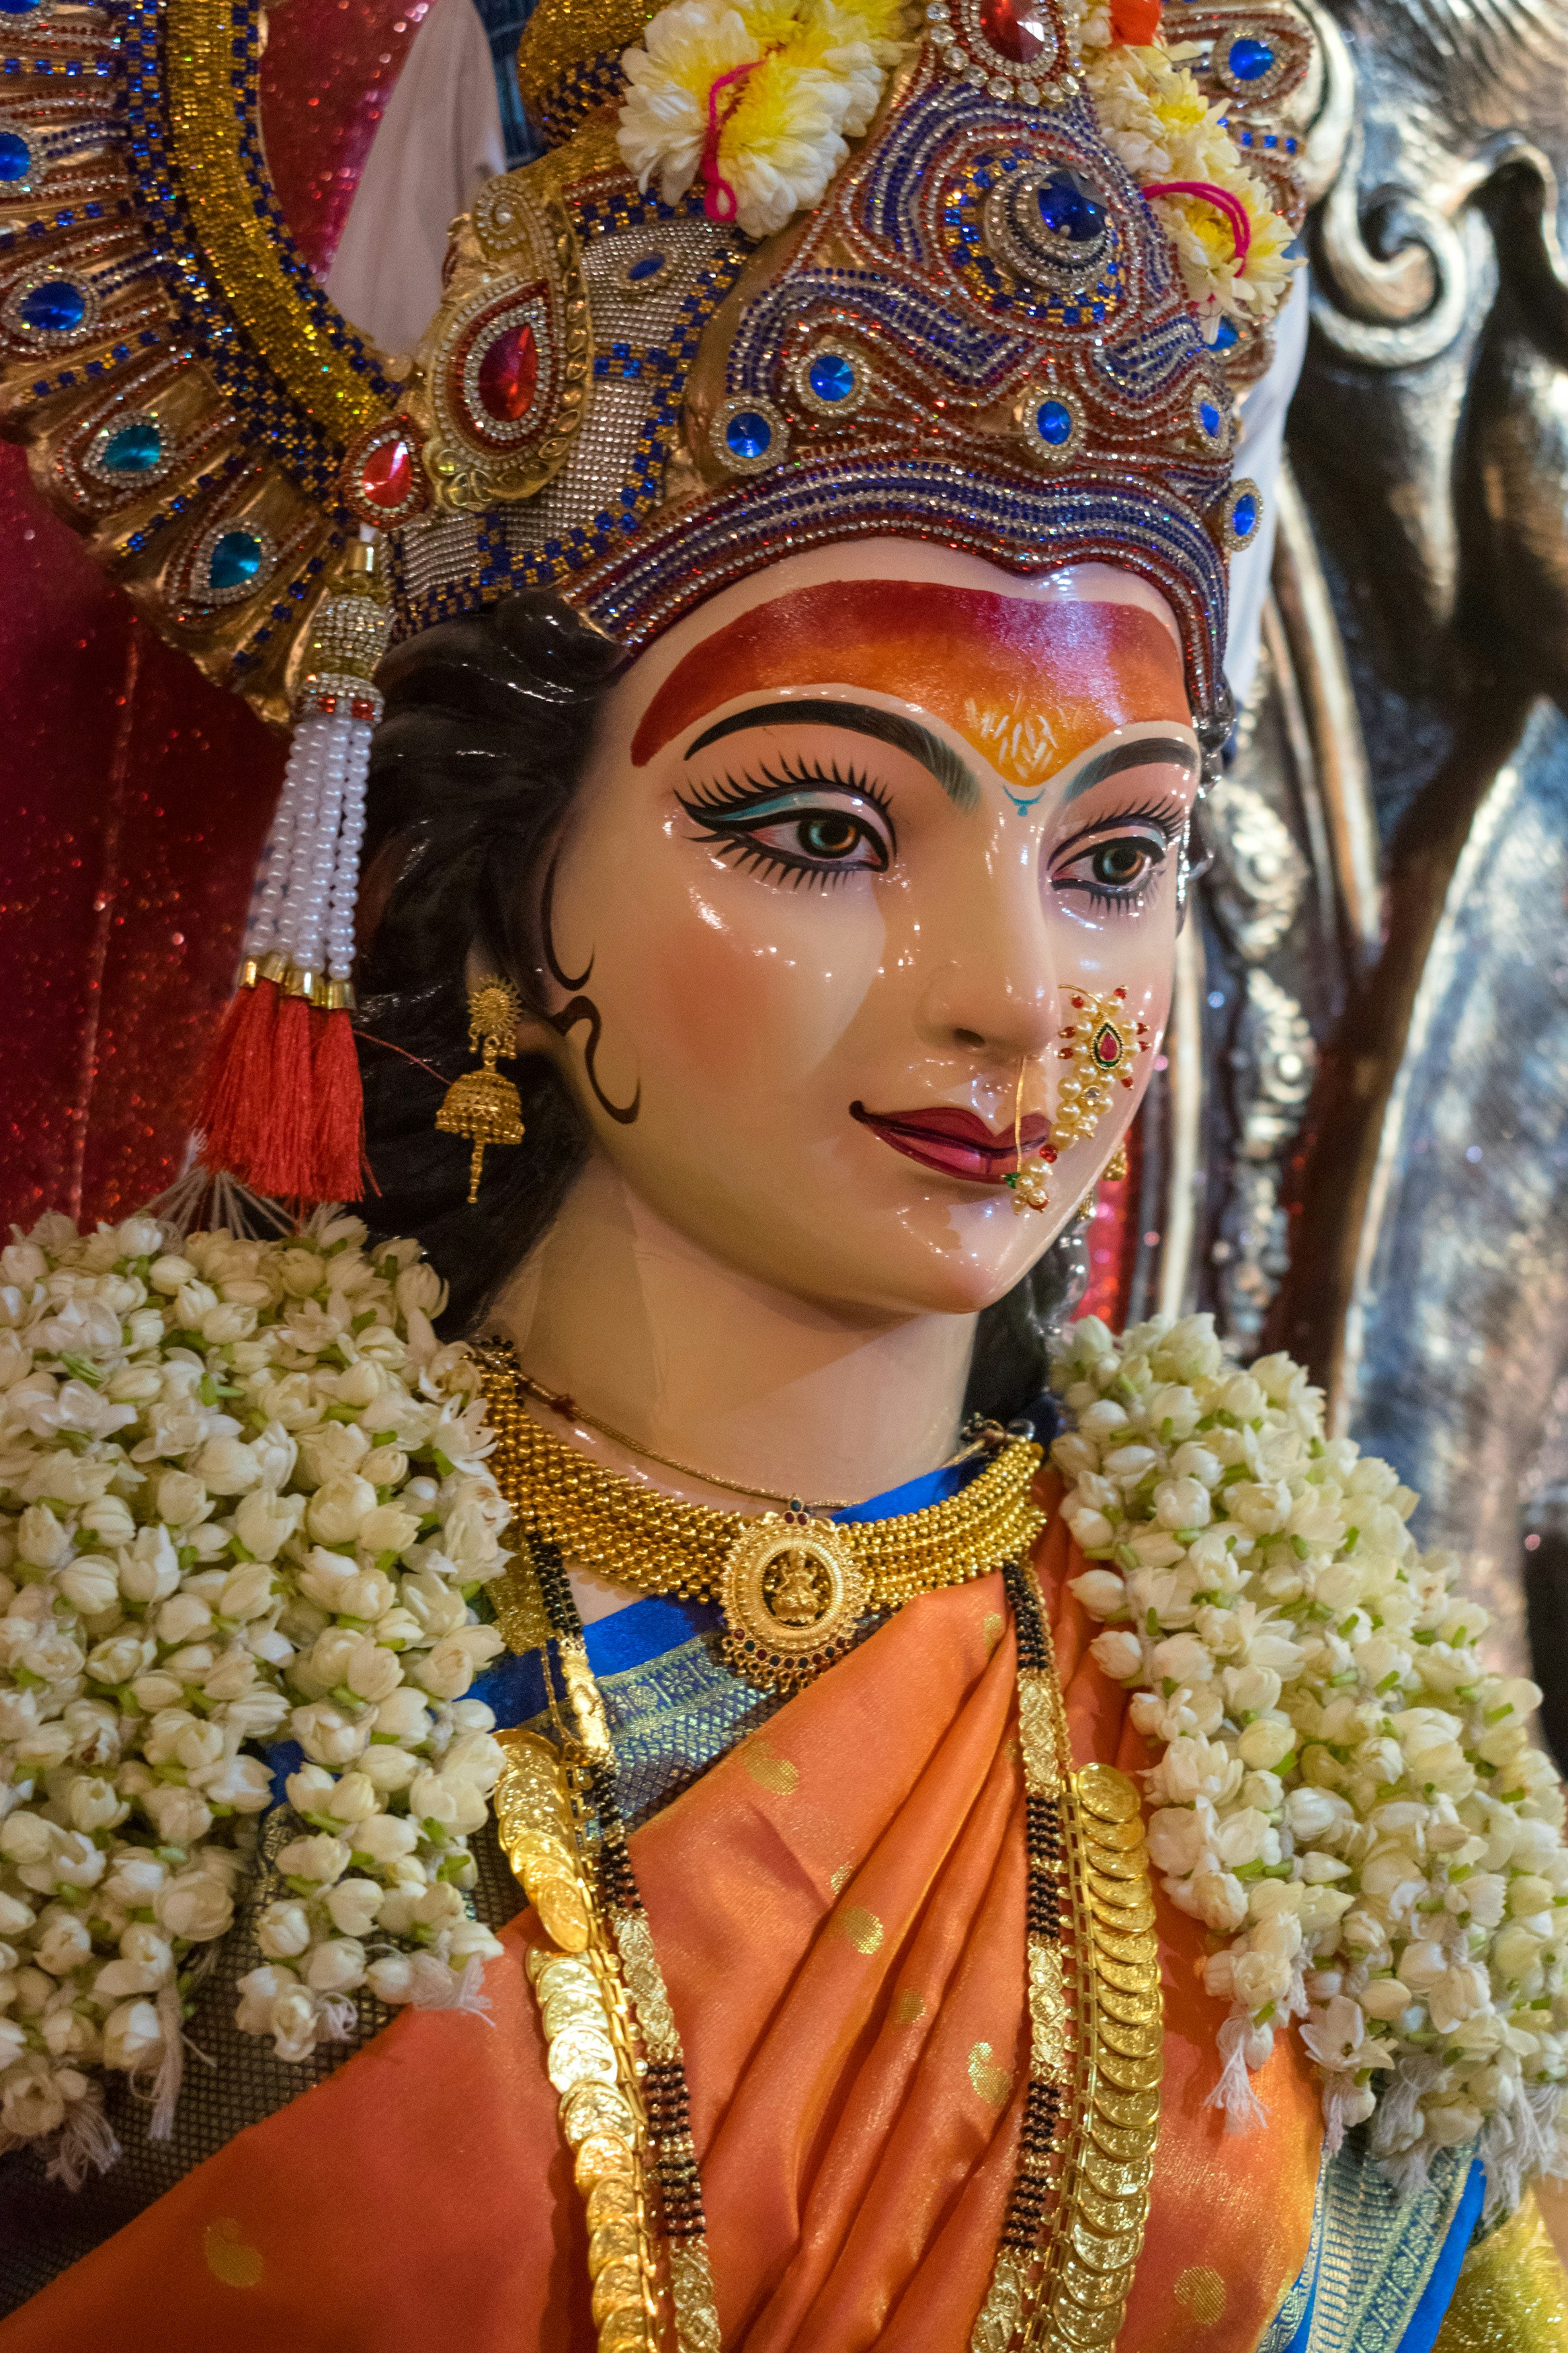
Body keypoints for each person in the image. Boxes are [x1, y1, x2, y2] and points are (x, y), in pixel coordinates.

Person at [0, 0, 1566, 2341]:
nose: (1021, 993)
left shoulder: (1320, 1746)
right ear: (508, 865)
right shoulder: (135, 1638)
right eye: (821, 828)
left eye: (1121, 851)